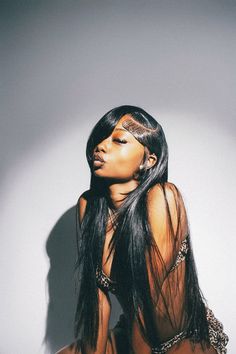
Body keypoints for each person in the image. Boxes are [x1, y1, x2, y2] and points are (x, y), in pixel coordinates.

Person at [55, 105, 229, 354]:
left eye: (119, 140)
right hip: (129, 335)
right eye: (100, 138)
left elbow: (145, 301)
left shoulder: (163, 198)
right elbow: (98, 300)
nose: (101, 146)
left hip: (181, 341)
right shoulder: (89, 206)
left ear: (148, 161)